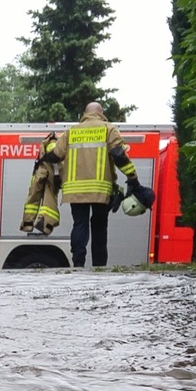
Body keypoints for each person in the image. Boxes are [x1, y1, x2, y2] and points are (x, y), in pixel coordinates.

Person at [39, 102, 140, 267]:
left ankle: (78, 263)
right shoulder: (108, 129)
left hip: (75, 191)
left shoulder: (71, 132)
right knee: (100, 226)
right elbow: (119, 156)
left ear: (84, 114)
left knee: (80, 224)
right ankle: (99, 266)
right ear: (101, 113)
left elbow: (56, 156)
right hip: (100, 190)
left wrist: (43, 157)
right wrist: (132, 178)